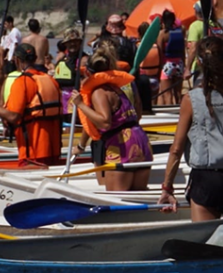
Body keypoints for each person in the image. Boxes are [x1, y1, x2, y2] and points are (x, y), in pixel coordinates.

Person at [159, 36, 223, 221]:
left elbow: (176, 148)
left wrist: (167, 187)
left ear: (199, 63)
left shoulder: (192, 99)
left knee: (204, 243)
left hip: (207, 179)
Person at [71, 43, 153, 191]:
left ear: (89, 73)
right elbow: (138, 112)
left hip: (121, 144)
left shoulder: (99, 92)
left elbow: (105, 122)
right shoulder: (119, 87)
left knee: (116, 197)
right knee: (137, 195)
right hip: (140, 140)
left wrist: (80, 104)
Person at [0, 44, 62, 164]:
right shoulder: (51, 80)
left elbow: (13, 117)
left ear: (16, 60)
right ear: (35, 59)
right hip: (53, 150)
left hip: (32, 152)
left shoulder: (22, 82)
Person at [53, 28, 88, 120]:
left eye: (75, 41)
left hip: (76, 99)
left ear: (80, 43)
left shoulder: (84, 59)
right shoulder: (61, 59)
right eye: (70, 42)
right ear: (65, 44)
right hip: (62, 100)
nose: (73, 44)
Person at [157, 10, 185, 105]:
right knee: (178, 93)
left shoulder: (162, 34)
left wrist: (160, 66)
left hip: (167, 65)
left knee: (167, 94)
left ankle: (170, 115)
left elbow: (159, 52)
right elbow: (183, 50)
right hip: (179, 64)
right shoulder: (181, 31)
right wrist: (184, 65)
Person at [136, 22, 161, 99]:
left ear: (139, 34)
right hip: (154, 78)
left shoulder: (137, 46)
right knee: (153, 101)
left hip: (142, 79)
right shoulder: (156, 46)